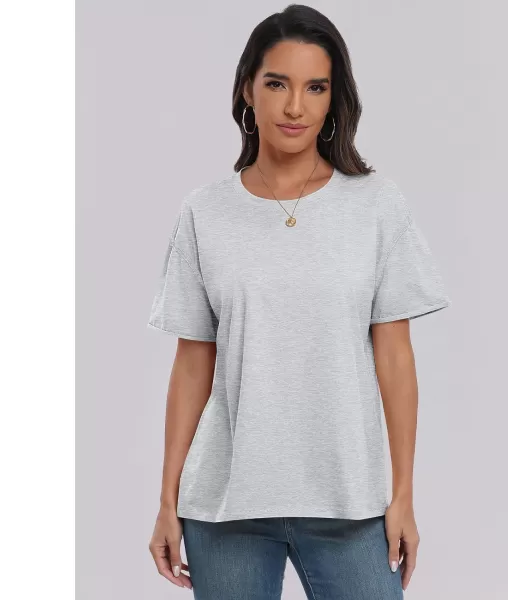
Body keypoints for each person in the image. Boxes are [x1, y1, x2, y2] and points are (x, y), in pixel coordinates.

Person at [147, 4, 451, 599]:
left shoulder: (375, 207)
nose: (295, 107)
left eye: (316, 87)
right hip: (225, 507)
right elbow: (192, 363)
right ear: (247, 90)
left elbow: (395, 358)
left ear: (334, 99)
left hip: (351, 503)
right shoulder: (205, 213)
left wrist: (403, 494)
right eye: (277, 84)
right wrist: (166, 500)